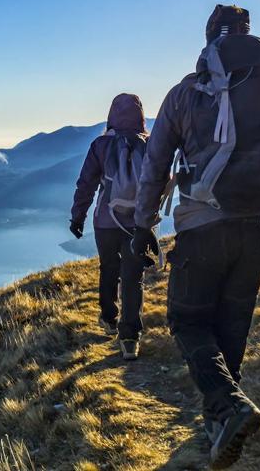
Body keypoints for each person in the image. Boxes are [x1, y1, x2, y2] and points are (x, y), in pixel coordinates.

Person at [131, 5, 260, 469]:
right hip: (259, 228)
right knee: (232, 324)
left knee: (188, 321)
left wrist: (144, 225)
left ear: (209, 40)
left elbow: (156, 164)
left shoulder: (186, 93)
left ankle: (229, 409)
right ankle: (220, 426)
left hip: (202, 226)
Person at [70, 93, 148, 361]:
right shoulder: (149, 145)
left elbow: (86, 184)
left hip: (106, 221)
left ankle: (109, 318)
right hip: (139, 222)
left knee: (109, 268)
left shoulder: (101, 145)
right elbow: (159, 181)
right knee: (133, 277)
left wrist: (77, 217)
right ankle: (130, 338)